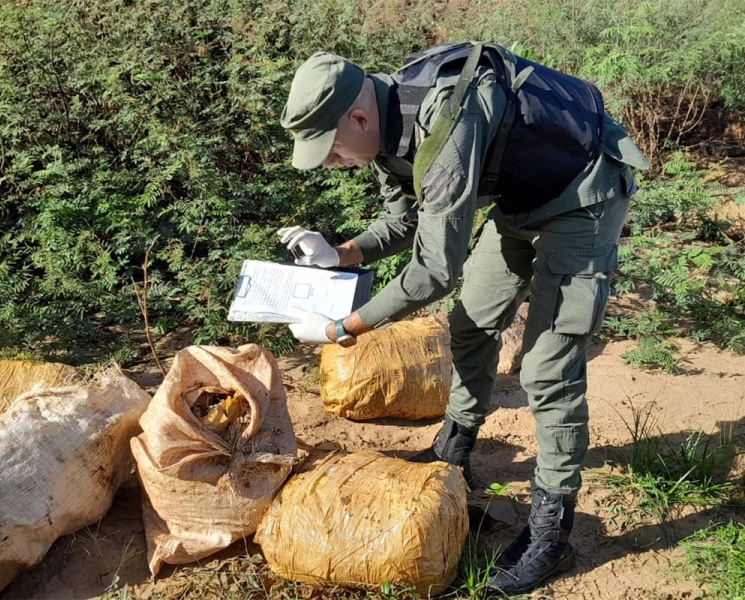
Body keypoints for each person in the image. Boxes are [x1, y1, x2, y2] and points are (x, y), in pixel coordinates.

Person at [275, 43, 649, 594]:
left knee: (547, 369)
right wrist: (341, 252)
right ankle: (455, 448)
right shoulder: (387, 128)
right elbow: (405, 220)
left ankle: (551, 532)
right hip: (520, 200)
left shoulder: (445, 119)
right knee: (471, 324)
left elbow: (433, 271)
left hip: (582, 195)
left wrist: (338, 330)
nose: (332, 163)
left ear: (357, 117)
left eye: (329, 150)